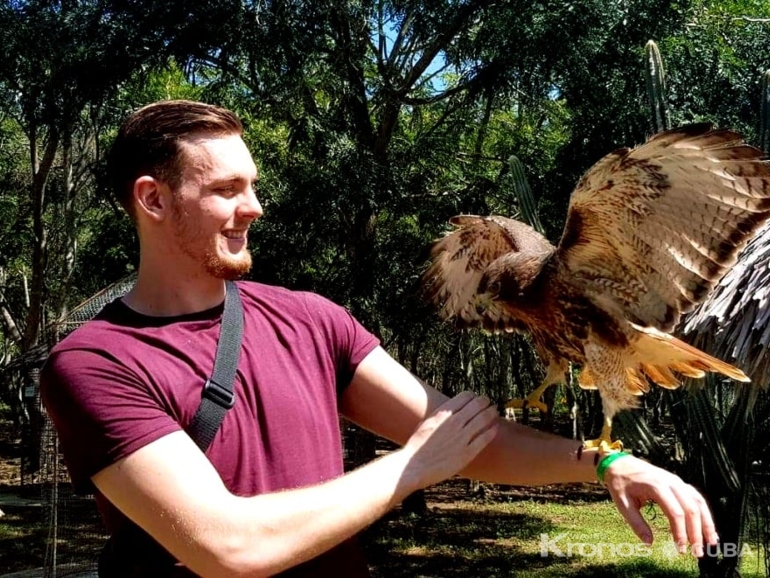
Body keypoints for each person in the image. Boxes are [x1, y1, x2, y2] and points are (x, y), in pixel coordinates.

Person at [41, 100, 717, 577]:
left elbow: (460, 438)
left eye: (252, 185)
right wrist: (413, 467)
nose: (254, 207)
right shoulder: (97, 362)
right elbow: (228, 547)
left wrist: (604, 463)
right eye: (226, 189)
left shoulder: (308, 319)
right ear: (153, 201)